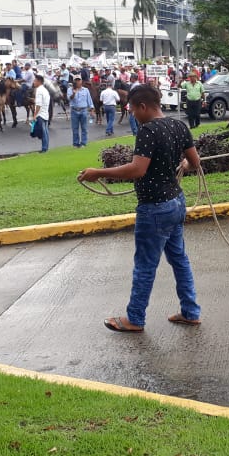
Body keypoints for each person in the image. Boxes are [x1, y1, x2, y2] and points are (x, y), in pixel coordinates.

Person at [79, 84, 202, 333]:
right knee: (179, 260)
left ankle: (134, 318)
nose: (133, 114)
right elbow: (195, 162)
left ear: (143, 107)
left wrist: (98, 173)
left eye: (133, 109)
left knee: (145, 265)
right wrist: (182, 165)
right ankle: (190, 312)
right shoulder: (179, 125)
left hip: (154, 208)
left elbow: (137, 169)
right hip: (176, 203)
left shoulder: (148, 131)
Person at [66, 77, 94, 147]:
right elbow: (69, 98)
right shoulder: (70, 89)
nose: (78, 82)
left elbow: (89, 100)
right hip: (74, 110)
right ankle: (76, 143)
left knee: (84, 128)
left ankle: (83, 143)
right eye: (76, 80)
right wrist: (74, 93)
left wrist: (92, 110)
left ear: (81, 81)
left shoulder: (86, 90)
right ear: (74, 82)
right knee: (75, 128)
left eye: (79, 80)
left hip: (83, 110)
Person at [33, 74, 51, 153]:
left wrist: (34, 115)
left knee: (43, 132)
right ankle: (45, 147)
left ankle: (44, 149)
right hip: (45, 113)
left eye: (35, 81)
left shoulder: (39, 90)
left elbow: (38, 104)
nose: (34, 82)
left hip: (40, 114)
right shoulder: (45, 90)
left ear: (39, 81)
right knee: (45, 132)